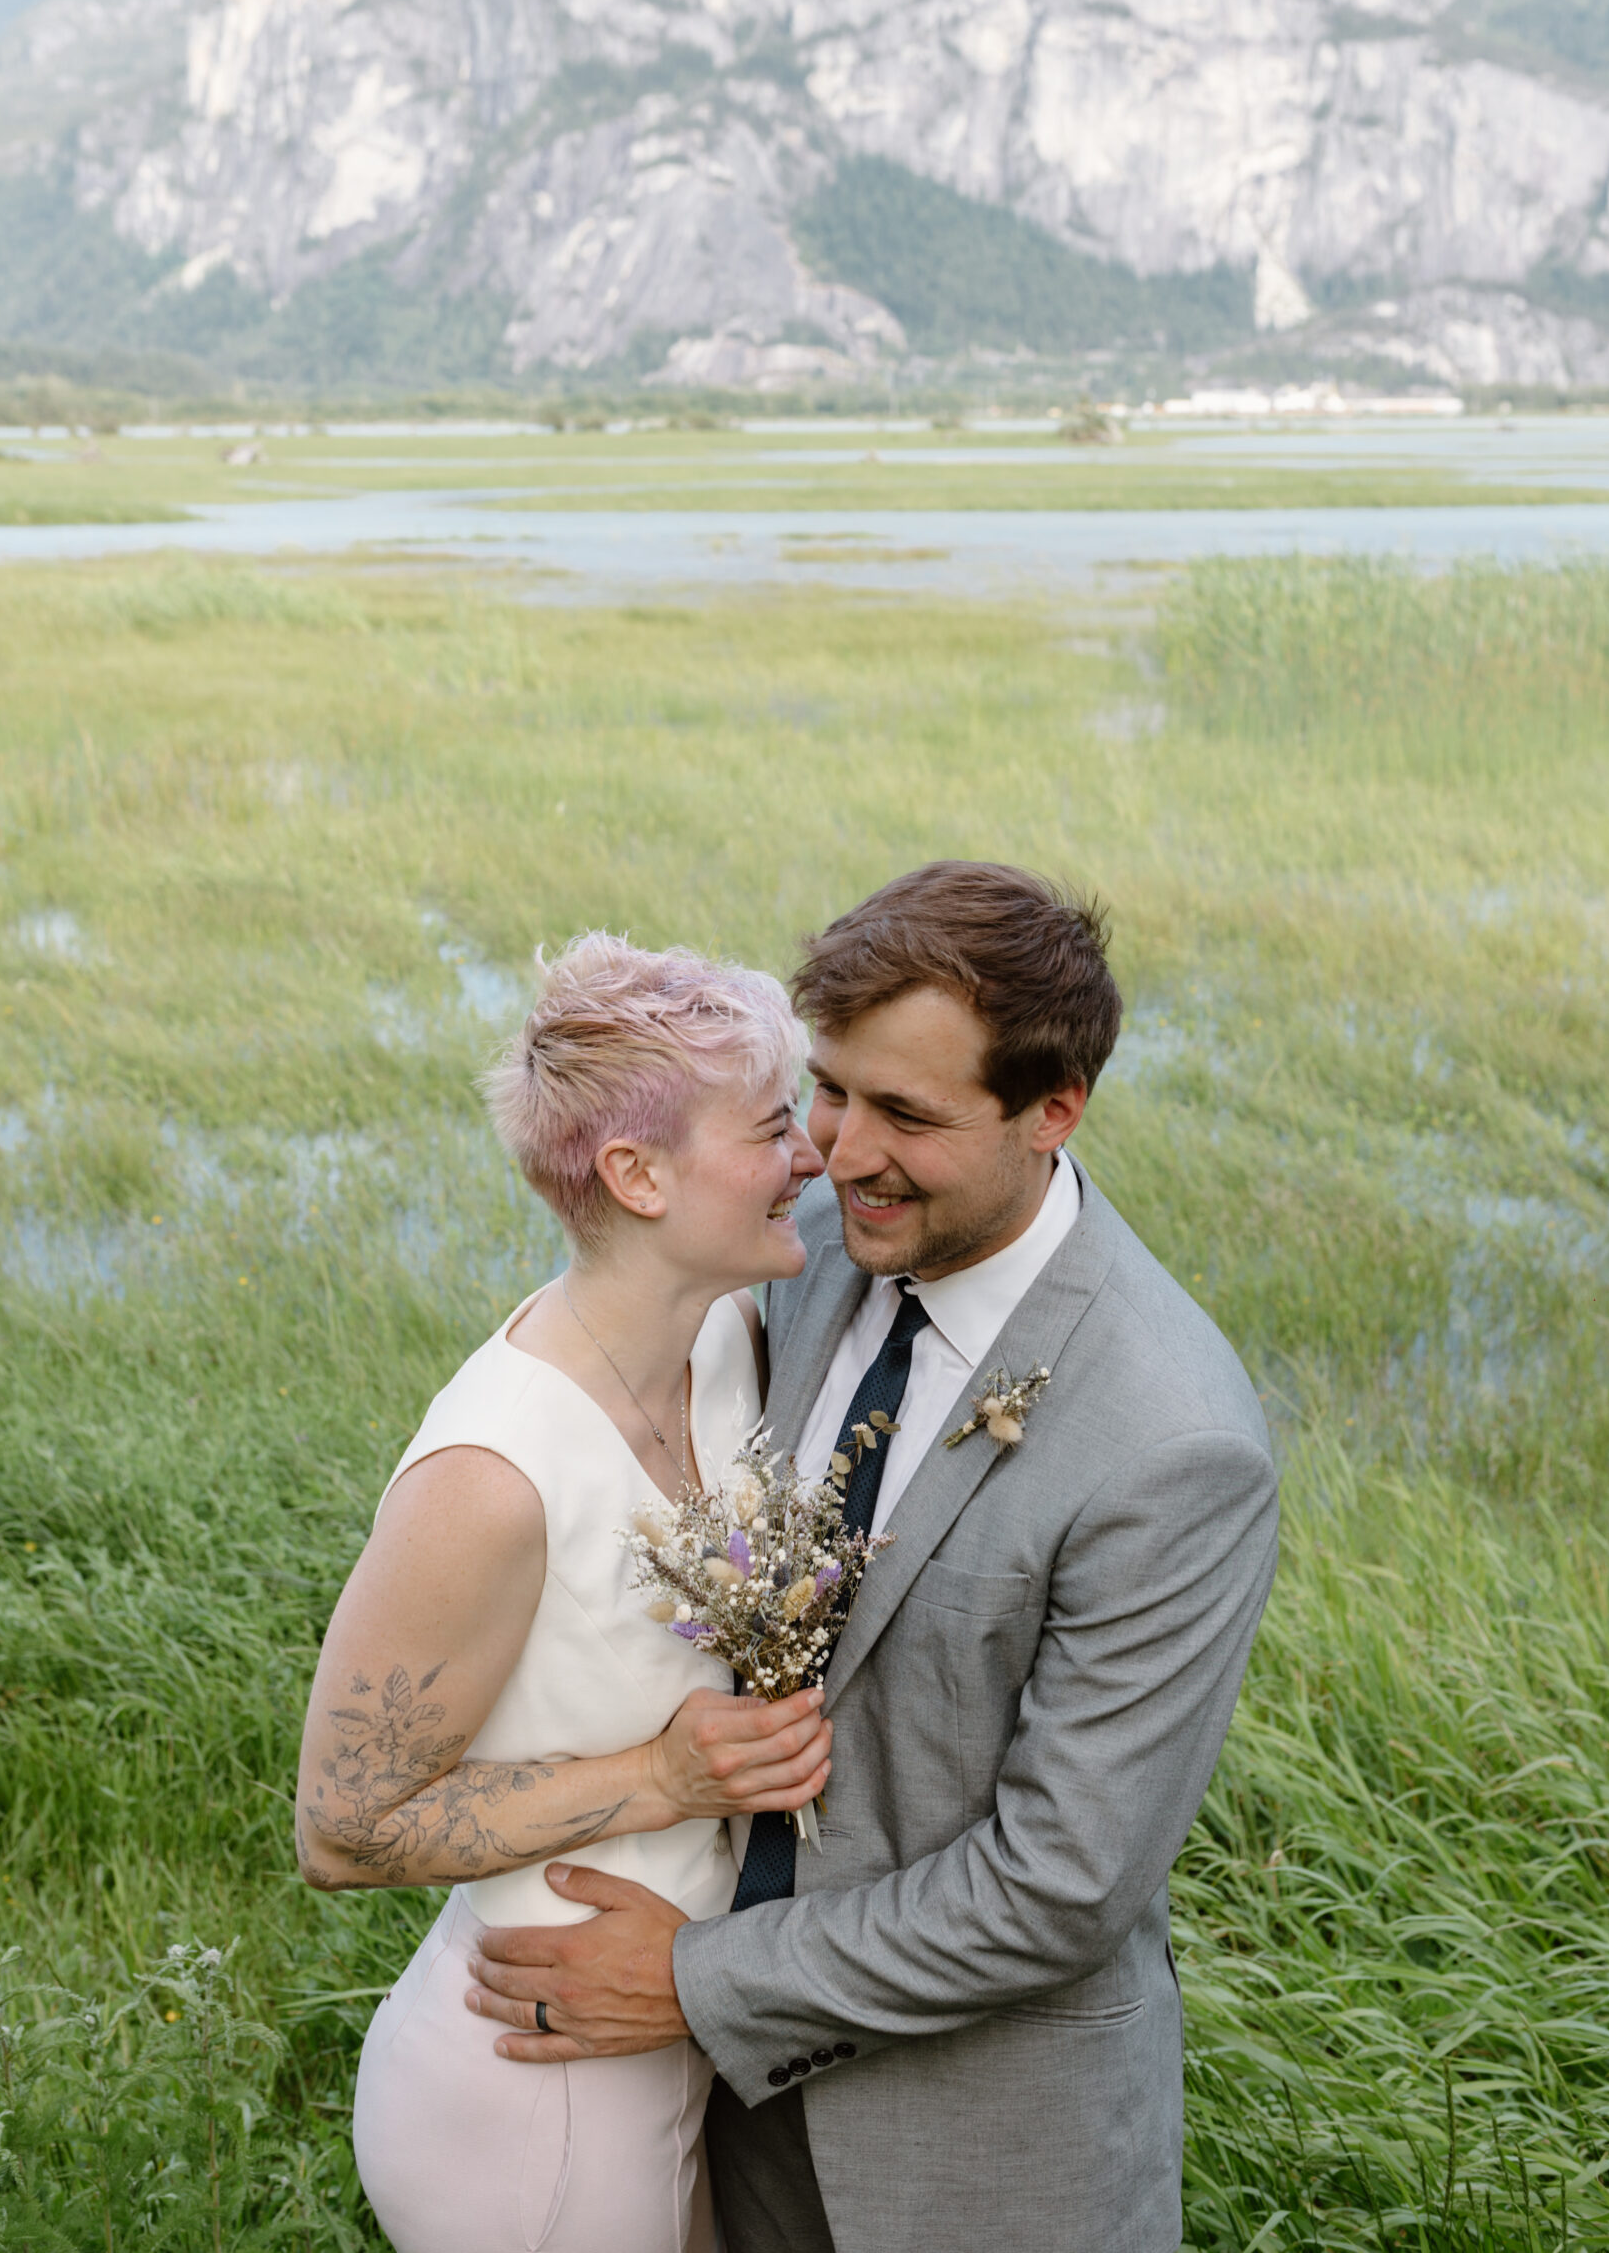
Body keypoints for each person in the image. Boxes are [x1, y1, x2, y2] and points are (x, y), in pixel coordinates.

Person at [463, 861, 1281, 2253]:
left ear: (1055, 1111)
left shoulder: (1174, 1441)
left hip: (979, 2155)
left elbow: (1061, 1885)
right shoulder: (809, 1248)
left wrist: (696, 1980)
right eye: (830, 1090)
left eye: (908, 1114)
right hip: (711, 2116)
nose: (840, 1153)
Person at [294, 934, 832, 2253]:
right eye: (773, 1130)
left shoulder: (726, 1333)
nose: (812, 1157)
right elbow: (343, 1831)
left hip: (668, 2044)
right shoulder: (490, 1478)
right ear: (638, 1175)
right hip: (538, 2109)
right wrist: (665, 1778)